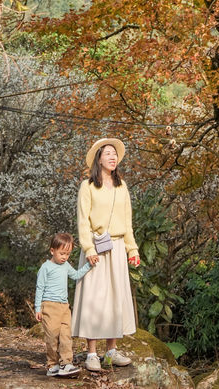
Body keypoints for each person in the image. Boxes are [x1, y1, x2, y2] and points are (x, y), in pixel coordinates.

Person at [71, 137, 141, 372]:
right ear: (99, 159)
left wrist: (132, 249)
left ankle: (110, 351)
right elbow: (83, 221)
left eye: (115, 154)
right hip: (96, 249)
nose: (112, 157)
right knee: (94, 298)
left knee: (116, 297)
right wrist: (88, 248)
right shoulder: (87, 186)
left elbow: (128, 222)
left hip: (118, 247)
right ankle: (92, 353)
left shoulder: (123, 187)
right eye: (107, 153)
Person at [35, 232, 92, 377]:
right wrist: (37, 308)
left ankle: (67, 363)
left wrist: (89, 265)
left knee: (66, 335)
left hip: (64, 306)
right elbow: (39, 288)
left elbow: (76, 275)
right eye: (62, 253)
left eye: (67, 254)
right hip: (49, 306)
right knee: (52, 336)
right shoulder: (45, 267)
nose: (64, 257)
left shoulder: (66, 265)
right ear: (52, 251)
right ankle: (52, 364)